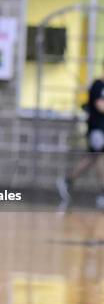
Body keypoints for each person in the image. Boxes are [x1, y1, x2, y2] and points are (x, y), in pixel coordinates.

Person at [57, 67, 104, 207]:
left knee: (91, 158)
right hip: (97, 130)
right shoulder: (97, 85)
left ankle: (67, 180)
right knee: (100, 158)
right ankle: (103, 193)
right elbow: (100, 105)